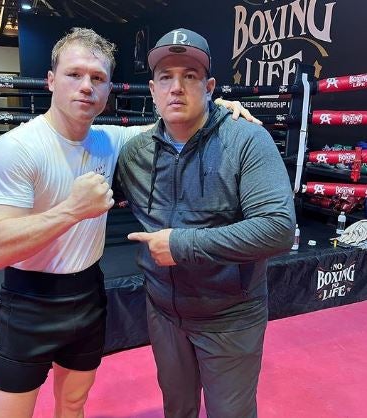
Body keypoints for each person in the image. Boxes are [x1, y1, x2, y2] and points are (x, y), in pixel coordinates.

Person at [0, 27, 257, 418]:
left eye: (97, 78)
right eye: (74, 74)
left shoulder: (111, 140)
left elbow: (175, 121)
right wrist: (72, 210)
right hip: (28, 300)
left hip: (88, 296)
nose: (86, 87)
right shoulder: (14, 148)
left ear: (109, 88)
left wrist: (219, 107)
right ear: (50, 80)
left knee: (73, 404)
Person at [116, 28, 296, 418]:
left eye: (190, 76)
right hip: (163, 314)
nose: (176, 88)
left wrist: (181, 245)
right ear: (152, 88)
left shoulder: (247, 140)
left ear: (210, 85)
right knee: (177, 409)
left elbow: (279, 227)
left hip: (231, 317)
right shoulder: (134, 153)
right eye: (166, 77)